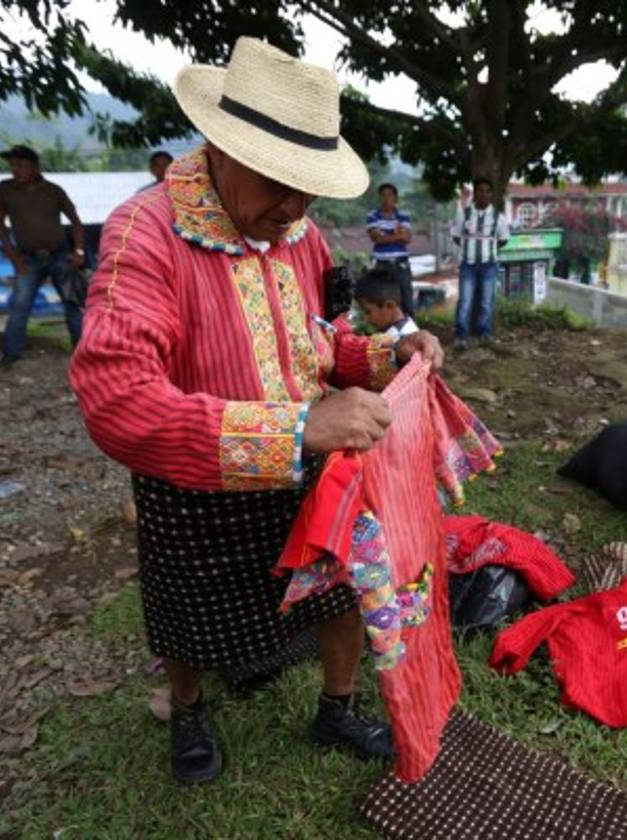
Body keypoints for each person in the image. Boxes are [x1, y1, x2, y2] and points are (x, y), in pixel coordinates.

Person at [69, 37, 444, 785]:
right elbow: (115, 397)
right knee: (189, 609)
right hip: (196, 481)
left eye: (310, 190)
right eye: (280, 184)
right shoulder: (147, 234)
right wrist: (301, 428)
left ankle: (336, 705)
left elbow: (319, 344)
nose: (297, 209)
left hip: (310, 468)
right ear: (220, 146)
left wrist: (383, 356)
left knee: (338, 586)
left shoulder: (296, 235)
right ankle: (189, 709)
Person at [0, 145, 86, 367]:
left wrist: (79, 251)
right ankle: (11, 354)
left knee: (72, 305)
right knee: (19, 305)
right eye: (13, 165)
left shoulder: (54, 190)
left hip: (60, 255)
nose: (16, 169)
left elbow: (76, 222)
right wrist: (13, 256)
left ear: (34, 167)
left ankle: (83, 353)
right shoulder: (5, 189)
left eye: (21, 165)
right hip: (27, 258)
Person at [451, 177, 510, 346]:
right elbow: (456, 236)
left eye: (487, 191)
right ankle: (461, 336)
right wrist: (468, 248)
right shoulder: (465, 213)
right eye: (480, 190)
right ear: (475, 193)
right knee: (465, 301)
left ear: (491, 194)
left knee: (486, 301)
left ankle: (484, 334)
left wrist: (487, 248)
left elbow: (504, 239)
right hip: (467, 265)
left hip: (489, 265)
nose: (484, 194)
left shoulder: (498, 217)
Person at [365, 182, 415, 316]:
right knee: (383, 300)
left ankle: (411, 333)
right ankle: (387, 334)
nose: (386, 199)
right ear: (379, 198)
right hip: (381, 264)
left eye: (390, 195)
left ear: (396, 198)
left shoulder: (403, 215)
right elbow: (377, 238)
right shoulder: (372, 216)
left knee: (407, 301)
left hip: (401, 263)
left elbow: (407, 238)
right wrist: (398, 235)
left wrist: (385, 236)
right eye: (383, 195)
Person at [354, 264, 419, 343]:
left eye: (368, 312)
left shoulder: (401, 341)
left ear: (389, 305)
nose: (367, 319)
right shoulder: (399, 332)